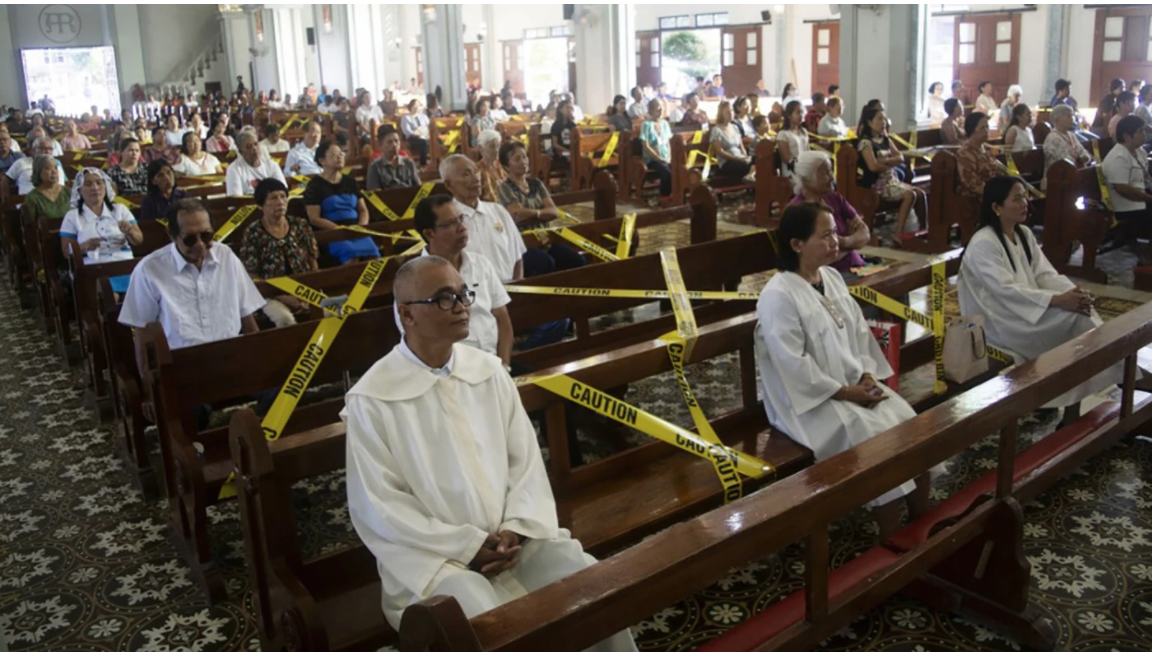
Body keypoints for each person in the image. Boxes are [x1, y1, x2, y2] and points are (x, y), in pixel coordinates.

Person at [342, 255, 638, 651]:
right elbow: (381, 507)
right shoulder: (373, 399)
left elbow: (525, 462)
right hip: (434, 564)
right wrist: (465, 548)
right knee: (484, 623)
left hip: (516, 544)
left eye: (463, 293)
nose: (463, 305)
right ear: (407, 315)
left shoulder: (489, 371)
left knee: (588, 583)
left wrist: (516, 526)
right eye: (444, 298)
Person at [754, 203, 938, 537]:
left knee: (910, 425)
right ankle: (893, 540)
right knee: (877, 442)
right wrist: (847, 392)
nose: (835, 241)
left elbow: (859, 334)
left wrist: (866, 375)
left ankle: (922, 525)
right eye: (825, 235)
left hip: (851, 387)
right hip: (807, 402)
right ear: (796, 244)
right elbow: (792, 364)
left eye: (835, 233)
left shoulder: (832, 278)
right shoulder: (778, 295)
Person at [957, 177, 1129, 420]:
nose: (1025, 203)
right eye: (1016, 199)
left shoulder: (1023, 234)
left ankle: (1084, 395)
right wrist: (1058, 301)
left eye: (1024, 196)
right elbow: (1006, 290)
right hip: (998, 320)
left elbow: (1045, 274)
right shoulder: (983, 243)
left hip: (1025, 309)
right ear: (996, 208)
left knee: (1079, 312)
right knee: (1075, 322)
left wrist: (1072, 294)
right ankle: (1112, 378)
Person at [119, 197, 265, 348]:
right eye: (190, 239)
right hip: (180, 362)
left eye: (206, 236)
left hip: (231, 352)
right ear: (171, 235)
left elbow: (246, 313)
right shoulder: (149, 269)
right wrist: (147, 371)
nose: (200, 244)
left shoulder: (226, 256)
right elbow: (142, 331)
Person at [409, 195, 513, 363]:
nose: (462, 228)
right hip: (454, 371)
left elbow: (503, 319)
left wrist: (505, 367)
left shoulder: (481, 264)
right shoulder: (414, 279)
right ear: (429, 233)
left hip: (495, 363)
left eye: (461, 219)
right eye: (450, 224)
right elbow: (421, 343)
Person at [240, 178, 318, 327]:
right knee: (285, 320)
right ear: (261, 205)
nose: (280, 202)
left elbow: (313, 262)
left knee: (331, 311)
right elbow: (251, 274)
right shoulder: (253, 232)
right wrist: (283, 297)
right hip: (270, 294)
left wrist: (308, 294)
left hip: (305, 289)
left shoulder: (300, 225)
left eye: (283, 196)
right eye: (273, 198)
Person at [441, 154, 526, 281]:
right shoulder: (446, 221)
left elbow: (517, 256)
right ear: (448, 185)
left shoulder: (498, 211)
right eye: (466, 174)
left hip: (509, 290)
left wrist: (518, 288)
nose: (476, 178)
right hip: (473, 296)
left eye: (476, 172)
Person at [60, 168, 143, 294]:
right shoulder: (72, 216)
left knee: (144, 292)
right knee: (109, 295)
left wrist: (130, 232)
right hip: (94, 268)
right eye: (88, 184)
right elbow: (66, 252)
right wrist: (84, 246)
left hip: (125, 265)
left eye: (99, 183)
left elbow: (139, 240)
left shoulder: (120, 209)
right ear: (79, 190)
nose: (95, 187)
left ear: (106, 186)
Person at [788, 151, 869, 276]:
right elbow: (818, 258)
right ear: (806, 180)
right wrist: (852, 242)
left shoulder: (835, 198)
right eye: (825, 173)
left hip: (858, 267)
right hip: (828, 276)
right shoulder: (797, 211)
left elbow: (865, 234)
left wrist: (843, 242)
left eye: (831, 171)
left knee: (898, 291)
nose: (832, 177)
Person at [304, 140, 378, 264]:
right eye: (334, 155)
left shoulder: (350, 182)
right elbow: (314, 218)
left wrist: (361, 227)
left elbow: (363, 209)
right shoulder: (315, 185)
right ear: (322, 161)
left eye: (341, 154)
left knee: (374, 257)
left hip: (356, 231)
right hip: (333, 234)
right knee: (351, 255)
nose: (339, 157)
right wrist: (340, 230)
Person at [857, 106, 926, 231]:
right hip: (879, 185)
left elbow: (900, 157)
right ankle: (898, 233)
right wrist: (890, 163)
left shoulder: (885, 140)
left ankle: (922, 230)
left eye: (884, 119)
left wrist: (886, 161)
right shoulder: (865, 143)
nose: (883, 123)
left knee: (921, 193)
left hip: (892, 180)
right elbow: (873, 166)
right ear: (869, 122)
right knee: (910, 195)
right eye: (879, 119)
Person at [1100, 116, 1152, 247]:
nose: (1145, 134)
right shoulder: (1118, 157)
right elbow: (1123, 189)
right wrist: (1150, 199)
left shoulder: (1140, 152)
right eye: (1140, 131)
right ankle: (1148, 259)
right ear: (1127, 136)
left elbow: (1145, 180)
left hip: (1140, 200)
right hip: (1126, 206)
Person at [20, 156, 70, 249]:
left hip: (72, 240)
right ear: (38, 172)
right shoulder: (32, 198)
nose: (54, 171)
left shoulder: (69, 193)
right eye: (48, 168)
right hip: (48, 246)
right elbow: (32, 230)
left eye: (55, 167)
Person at [226, 129, 287, 196]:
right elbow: (236, 199)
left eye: (256, 144)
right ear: (240, 151)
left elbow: (283, 190)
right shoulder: (234, 169)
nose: (254, 148)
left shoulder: (272, 165)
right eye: (249, 147)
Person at [1041, 104, 1091, 187]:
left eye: (1072, 116)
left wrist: (1084, 157)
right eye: (1069, 116)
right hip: (1056, 180)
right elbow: (1063, 162)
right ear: (1057, 119)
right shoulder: (1052, 138)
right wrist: (1078, 159)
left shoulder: (1071, 135)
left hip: (1072, 177)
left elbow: (1084, 153)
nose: (1072, 119)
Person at [956, 113, 1001, 199]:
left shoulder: (986, 149)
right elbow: (972, 184)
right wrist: (996, 192)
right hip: (975, 199)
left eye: (987, 127)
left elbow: (997, 171)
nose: (987, 130)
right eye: (982, 128)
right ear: (972, 130)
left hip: (992, 194)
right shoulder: (965, 153)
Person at [366, 125, 421, 191]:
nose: (394, 145)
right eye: (389, 142)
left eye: (396, 141)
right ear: (380, 145)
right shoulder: (375, 167)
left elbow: (419, 188)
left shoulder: (409, 163)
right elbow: (374, 194)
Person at [639, 99, 673, 198]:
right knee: (666, 171)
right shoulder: (646, 125)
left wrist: (669, 157)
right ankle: (665, 196)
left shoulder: (665, 124)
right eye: (657, 107)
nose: (660, 109)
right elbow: (645, 146)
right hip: (652, 159)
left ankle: (673, 194)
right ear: (651, 110)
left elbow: (668, 143)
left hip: (665, 157)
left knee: (677, 169)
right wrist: (658, 158)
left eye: (661, 107)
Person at [711, 101, 752, 180]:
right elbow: (719, 151)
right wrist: (735, 158)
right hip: (727, 162)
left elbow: (741, 146)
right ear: (721, 114)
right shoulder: (716, 130)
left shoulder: (735, 127)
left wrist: (744, 156)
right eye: (727, 112)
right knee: (741, 166)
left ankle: (751, 178)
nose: (731, 113)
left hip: (739, 158)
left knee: (756, 161)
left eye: (732, 111)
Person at [776, 100, 809, 181]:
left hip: (805, 168)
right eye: (798, 113)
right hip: (791, 172)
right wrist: (803, 166)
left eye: (802, 112)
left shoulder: (803, 131)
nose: (801, 115)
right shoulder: (783, 134)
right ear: (789, 115)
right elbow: (787, 159)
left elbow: (808, 152)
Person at [476, 129, 506, 203]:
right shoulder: (477, 170)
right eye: (492, 147)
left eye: (498, 146)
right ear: (481, 148)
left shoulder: (502, 166)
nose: (496, 150)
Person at [400, 98, 431, 166]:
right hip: (413, 138)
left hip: (425, 135)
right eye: (414, 105)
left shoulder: (424, 116)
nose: (416, 107)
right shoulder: (406, 117)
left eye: (418, 105)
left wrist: (428, 134)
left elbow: (429, 127)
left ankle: (437, 161)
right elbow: (407, 131)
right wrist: (418, 134)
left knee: (437, 141)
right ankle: (423, 164)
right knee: (423, 143)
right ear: (410, 107)